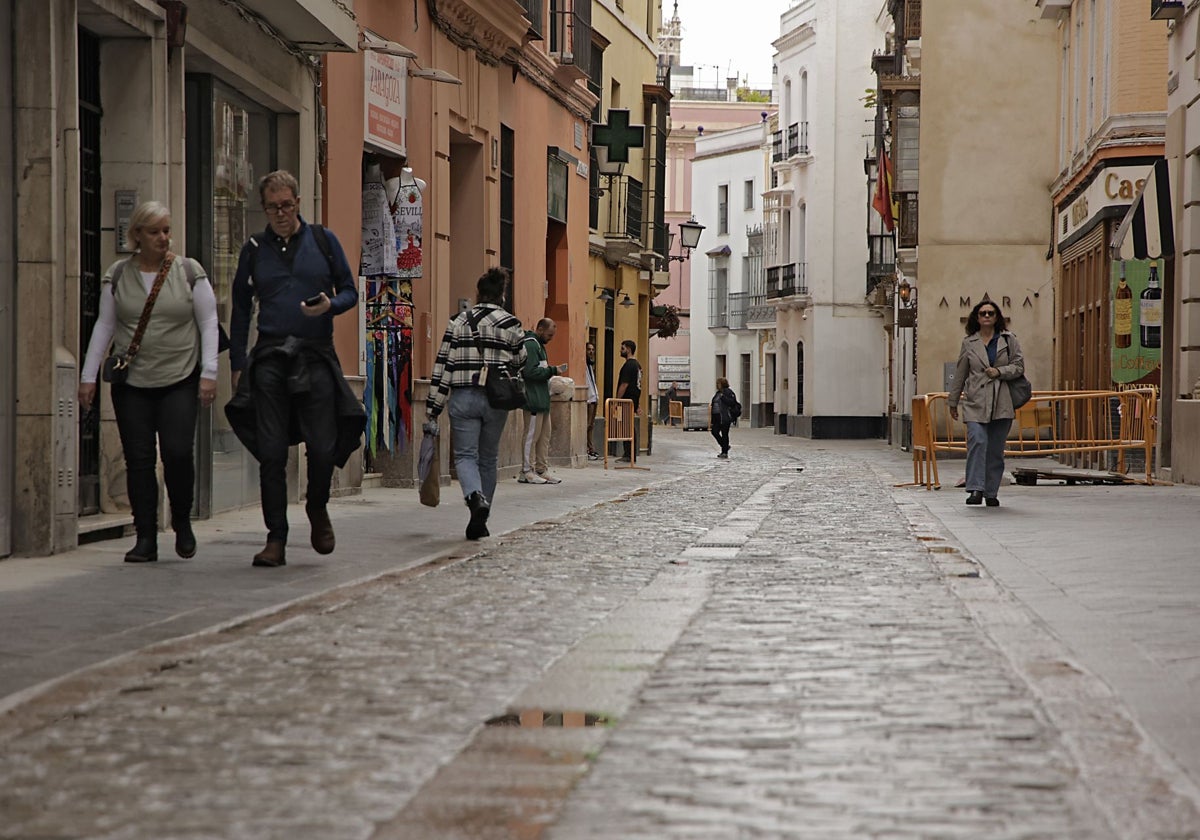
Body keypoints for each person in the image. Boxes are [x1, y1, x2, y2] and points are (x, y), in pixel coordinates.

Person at [225, 170, 364, 568]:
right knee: (271, 453)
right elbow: (240, 307)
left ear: (298, 203)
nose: (281, 213)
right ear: (264, 208)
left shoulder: (323, 241)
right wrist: (238, 362)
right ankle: (275, 538)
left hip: (315, 353)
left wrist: (330, 306)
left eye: (287, 205)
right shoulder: (254, 248)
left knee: (322, 446)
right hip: (269, 356)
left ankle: (316, 506)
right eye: (273, 207)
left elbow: (350, 290)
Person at [78, 201, 218, 563]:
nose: (162, 238)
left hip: (179, 379)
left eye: (166, 230)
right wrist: (88, 376)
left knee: (176, 453)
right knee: (139, 460)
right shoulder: (118, 275)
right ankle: (145, 537)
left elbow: (207, 322)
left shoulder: (188, 272)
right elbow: (105, 326)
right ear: (136, 234)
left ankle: (183, 522)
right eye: (154, 231)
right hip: (132, 383)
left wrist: (209, 373)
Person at [426, 267, 527, 540]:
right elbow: (521, 360)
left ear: (478, 293)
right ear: (502, 295)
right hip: (497, 398)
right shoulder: (510, 323)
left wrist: (433, 407)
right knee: (489, 458)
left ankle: (474, 498)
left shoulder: (458, 321)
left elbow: (443, 364)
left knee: (465, 456)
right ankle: (481, 518)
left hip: (463, 396)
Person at [947, 300, 1025, 508]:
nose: (987, 316)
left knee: (995, 449)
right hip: (975, 401)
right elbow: (961, 373)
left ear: (997, 317)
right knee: (978, 442)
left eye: (991, 313)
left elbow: (1018, 367)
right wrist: (953, 401)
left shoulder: (1009, 340)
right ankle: (976, 489)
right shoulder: (969, 343)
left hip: (1002, 401)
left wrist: (1000, 372)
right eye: (983, 313)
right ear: (977, 317)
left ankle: (991, 491)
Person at [518, 318, 567, 484]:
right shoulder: (531, 345)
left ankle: (541, 468)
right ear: (540, 329)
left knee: (544, 436)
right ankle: (526, 470)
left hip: (542, 398)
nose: (551, 338)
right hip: (533, 398)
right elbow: (529, 372)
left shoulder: (540, 346)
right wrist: (553, 370)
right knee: (531, 436)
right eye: (549, 334)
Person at [615, 339, 642, 460]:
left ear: (629, 349)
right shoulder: (637, 365)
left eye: (622, 348)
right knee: (629, 426)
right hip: (633, 399)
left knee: (626, 426)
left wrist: (617, 400)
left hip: (626, 400)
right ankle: (630, 454)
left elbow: (624, 384)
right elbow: (638, 384)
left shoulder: (628, 366)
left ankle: (628, 454)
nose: (620, 351)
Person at [710, 377, 739, 459]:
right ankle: (724, 445)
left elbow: (732, 403)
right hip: (717, 417)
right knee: (714, 431)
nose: (717, 385)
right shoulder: (717, 393)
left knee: (724, 434)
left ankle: (724, 452)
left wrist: (723, 397)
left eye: (718, 383)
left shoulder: (728, 392)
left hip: (725, 416)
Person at [585, 342, 600, 460]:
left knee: (591, 425)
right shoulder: (583, 365)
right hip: (589, 399)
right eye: (589, 349)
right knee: (587, 425)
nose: (591, 352)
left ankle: (591, 448)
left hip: (594, 397)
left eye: (593, 349)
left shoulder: (590, 365)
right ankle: (588, 449)